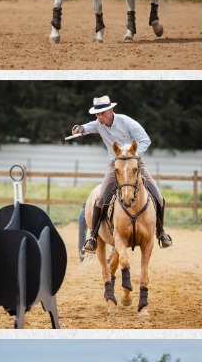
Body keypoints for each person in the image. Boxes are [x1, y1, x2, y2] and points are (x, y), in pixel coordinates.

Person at [72, 94, 173, 252]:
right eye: (97, 114)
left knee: (158, 197)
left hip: (135, 163)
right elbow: (88, 127)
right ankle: (92, 236)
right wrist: (80, 128)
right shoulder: (99, 124)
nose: (99, 117)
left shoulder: (127, 122)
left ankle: (161, 232)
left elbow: (145, 140)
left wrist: (132, 156)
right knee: (100, 199)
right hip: (115, 165)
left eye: (102, 113)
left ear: (111, 110)